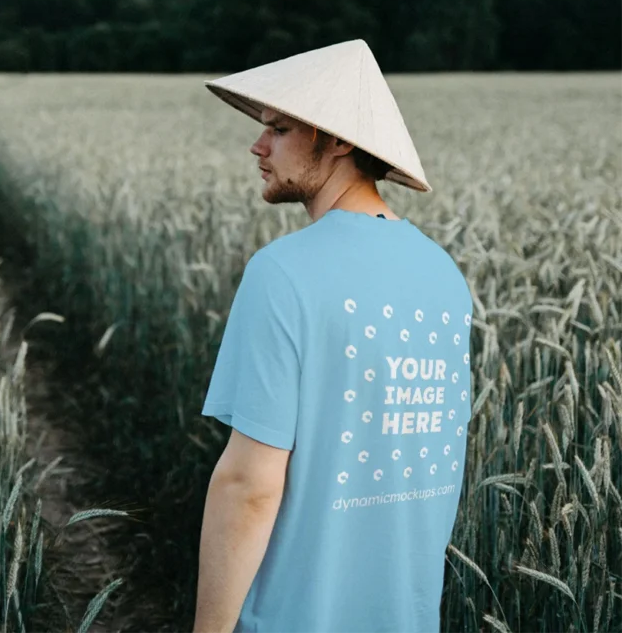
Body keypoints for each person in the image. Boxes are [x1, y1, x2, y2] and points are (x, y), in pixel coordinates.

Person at [194, 39, 473, 633]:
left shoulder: (283, 272)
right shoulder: (445, 278)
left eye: (279, 128)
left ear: (340, 139)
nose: (257, 144)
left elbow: (249, 486)